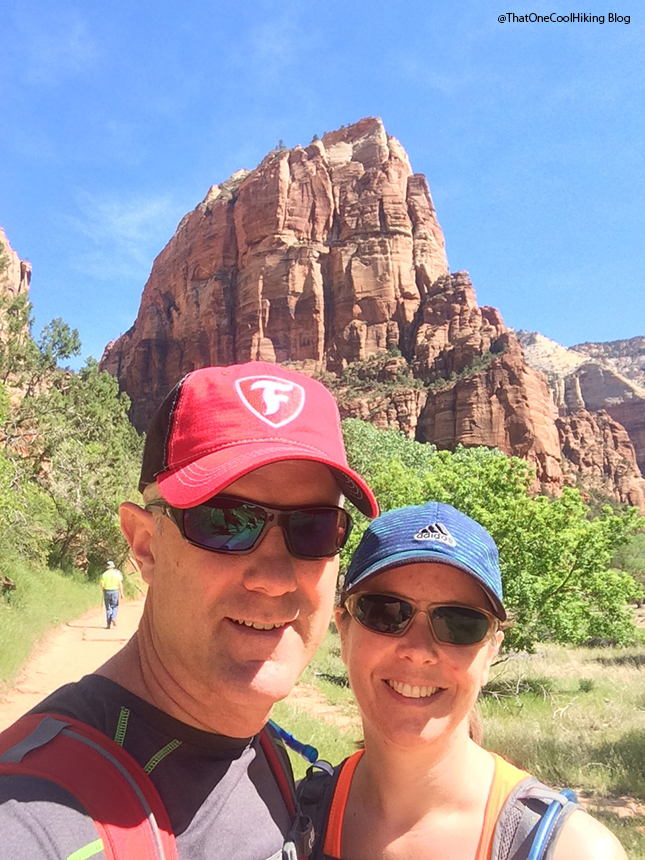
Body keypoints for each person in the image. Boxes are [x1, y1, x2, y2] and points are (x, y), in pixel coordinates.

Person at [0, 361, 378, 860]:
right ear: (144, 545)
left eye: (313, 528)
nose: (275, 577)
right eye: (225, 522)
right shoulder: (33, 817)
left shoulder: (261, 748)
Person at [305, 502, 627, 860]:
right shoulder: (293, 818)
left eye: (460, 623)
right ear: (344, 630)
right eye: (386, 612)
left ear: (491, 653)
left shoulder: (572, 850)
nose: (418, 650)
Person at [100, 560, 124, 628]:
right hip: (115, 591)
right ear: (113, 566)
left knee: (108, 607)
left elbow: (102, 584)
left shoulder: (104, 574)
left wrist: (103, 590)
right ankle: (113, 617)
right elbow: (120, 584)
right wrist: (121, 593)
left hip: (107, 591)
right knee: (115, 606)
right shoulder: (117, 574)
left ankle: (108, 624)